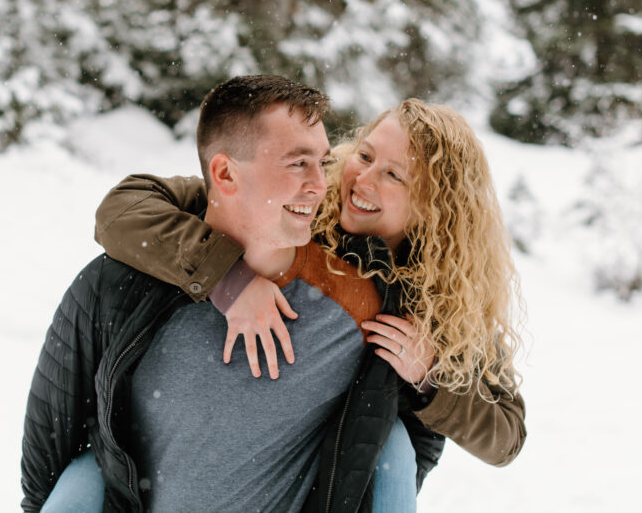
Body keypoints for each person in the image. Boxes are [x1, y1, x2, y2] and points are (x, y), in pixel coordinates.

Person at [21, 76, 444, 513]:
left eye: (323, 161)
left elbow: (405, 440)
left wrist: (432, 379)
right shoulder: (120, 286)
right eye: (298, 163)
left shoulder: (361, 300)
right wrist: (228, 280)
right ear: (225, 173)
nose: (323, 184)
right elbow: (52, 447)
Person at [93, 98, 527, 482]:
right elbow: (126, 210)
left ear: (434, 205)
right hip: (216, 451)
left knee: (396, 445)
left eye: (394, 175)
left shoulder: (443, 298)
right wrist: (229, 279)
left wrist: (431, 377)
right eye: (365, 155)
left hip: (335, 475)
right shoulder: (296, 203)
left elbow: (506, 436)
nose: (363, 180)